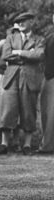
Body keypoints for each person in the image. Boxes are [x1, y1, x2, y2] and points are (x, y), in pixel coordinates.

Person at [0, 12, 44, 155]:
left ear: (31, 22)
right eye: (19, 21)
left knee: (28, 111)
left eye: (24, 20)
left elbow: (39, 55)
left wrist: (18, 53)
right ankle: (4, 144)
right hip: (12, 78)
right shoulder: (11, 37)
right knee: (8, 109)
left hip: (30, 79)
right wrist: (27, 54)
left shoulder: (39, 39)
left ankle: (27, 145)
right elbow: (5, 55)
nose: (21, 23)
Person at [39, 15, 54, 154]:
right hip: (49, 76)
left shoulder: (50, 37)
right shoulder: (49, 37)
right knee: (47, 113)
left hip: (51, 78)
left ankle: (48, 146)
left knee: (50, 114)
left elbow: (42, 55)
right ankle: (48, 144)